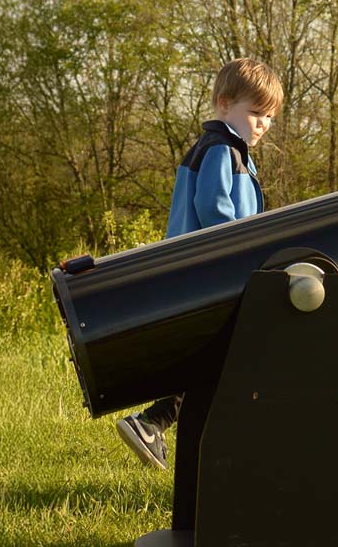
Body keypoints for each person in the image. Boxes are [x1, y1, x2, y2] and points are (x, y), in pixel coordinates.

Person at [115, 57, 284, 469]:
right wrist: (241, 248)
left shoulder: (228, 150)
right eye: (255, 113)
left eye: (269, 117)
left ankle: (173, 427)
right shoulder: (223, 150)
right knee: (214, 354)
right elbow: (212, 206)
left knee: (212, 355)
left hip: (201, 270)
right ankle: (154, 422)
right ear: (225, 105)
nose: (262, 124)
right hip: (211, 270)